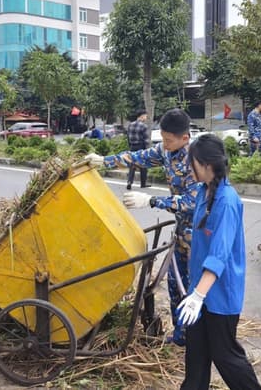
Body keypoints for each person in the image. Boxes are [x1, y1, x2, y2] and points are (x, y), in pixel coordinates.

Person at [85, 108, 198, 345]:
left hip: (199, 235)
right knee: (174, 285)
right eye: (163, 138)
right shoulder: (166, 151)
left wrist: (151, 200)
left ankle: (198, 340)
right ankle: (181, 337)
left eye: (169, 140)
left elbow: (192, 203)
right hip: (180, 233)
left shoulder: (195, 161)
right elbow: (139, 157)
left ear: (184, 138)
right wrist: (104, 161)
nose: (164, 144)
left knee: (192, 289)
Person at [177, 135, 261, 390]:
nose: (188, 167)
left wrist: (198, 296)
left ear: (205, 164)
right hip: (200, 292)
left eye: (191, 162)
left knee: (225, 356)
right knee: (196, 357)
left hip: (219, 295)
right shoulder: (204, 192)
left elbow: (219, 254)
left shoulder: (227, 200)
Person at [126, 109, 151, 190]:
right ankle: (143, 183)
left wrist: (130, 146)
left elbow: (128, 137)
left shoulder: (130, 125)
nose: (146, 118)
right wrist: (148, 149)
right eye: (146, 116)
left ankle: (129, 182)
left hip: (132, 146)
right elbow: (146, 139)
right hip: (141, 146)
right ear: (142, 116)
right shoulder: (144, 126)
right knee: (143, 164)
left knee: (132, 165)